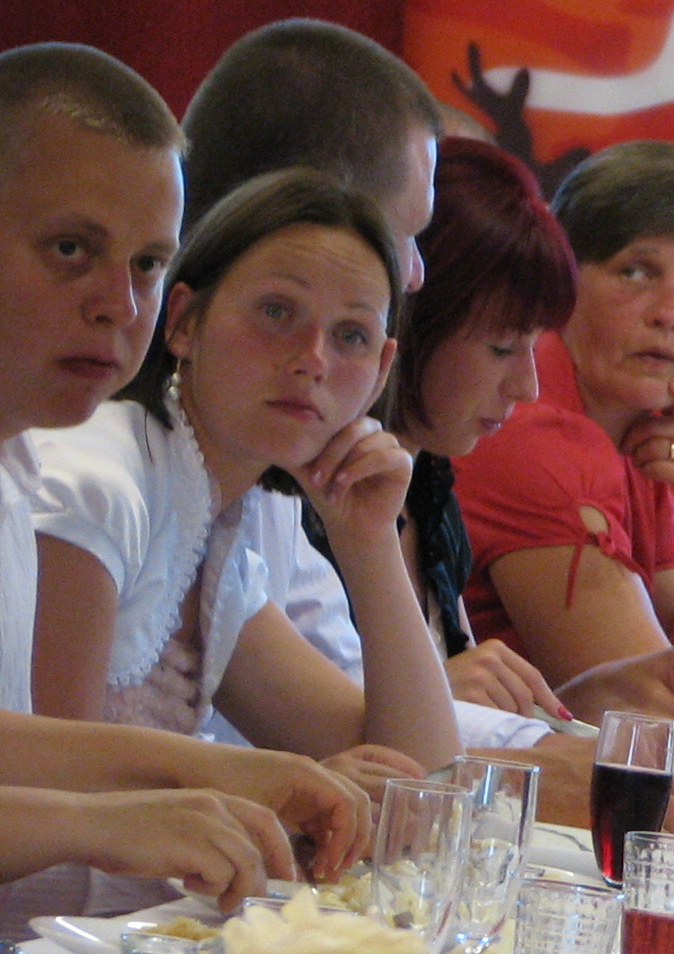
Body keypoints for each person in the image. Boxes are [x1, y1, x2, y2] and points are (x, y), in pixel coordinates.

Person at [0, 45, 363, 899]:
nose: (119, 306)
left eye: (147, 264)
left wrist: (223, 773)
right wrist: (99, 821)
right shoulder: (84, 479)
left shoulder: (17, 463)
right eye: (70, 249)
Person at [180, 20, 563, 738]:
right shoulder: (108, 477)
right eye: (404, 235)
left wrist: (369, 543)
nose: (415, 274)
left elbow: (410, 757)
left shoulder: (246, 489)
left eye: (352, 335)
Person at [30, 171, 459, 775]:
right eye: (276, 312)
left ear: (380, 371)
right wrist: (262, 790)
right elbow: (49, 794)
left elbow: (420, 776)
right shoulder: (96, 485)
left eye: (351, 335)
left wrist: (368, 543)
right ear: (183, 321)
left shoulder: (210, 540)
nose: (313, 360)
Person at [452, 140, 674, 736]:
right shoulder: (528, 425)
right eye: (636, 272)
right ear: (564, 279)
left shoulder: (648, 428)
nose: (669, 312)